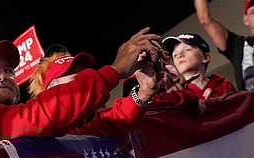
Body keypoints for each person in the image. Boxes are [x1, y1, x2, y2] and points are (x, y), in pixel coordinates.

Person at [0, 27, 163, 154]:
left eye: (8, 70)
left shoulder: (24, 124)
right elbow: (37, 117)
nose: (3, 76)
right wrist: (114, 70)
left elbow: (93, 132)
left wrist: (142, 94)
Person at [28, 51, 159, 137]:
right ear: (52, 94)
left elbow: (114, 121)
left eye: (88, 76)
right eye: (78, 81)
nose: (90, 84)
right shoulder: (42, 138)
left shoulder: (96, 127)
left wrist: (144, 92)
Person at [160, 33, 236, 99]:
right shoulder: (178, 93)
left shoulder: (224, 85)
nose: (179, 55)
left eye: (187, 50)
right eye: (175, 55)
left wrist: (219, 101)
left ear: (205, 57)